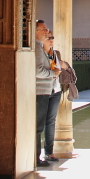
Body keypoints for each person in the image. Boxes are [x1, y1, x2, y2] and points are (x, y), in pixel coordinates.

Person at [35, 21, 66, 167]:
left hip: (53, 90)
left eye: (51, 35)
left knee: (49, 122)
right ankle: (36, 157)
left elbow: (57, 70)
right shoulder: (38, 49)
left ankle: (48, 152)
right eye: (46, 32)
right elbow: (38, 71)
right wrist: (53, 73)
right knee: (38, 125)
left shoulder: (53, 53)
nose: (49, 36)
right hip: (42, 90)